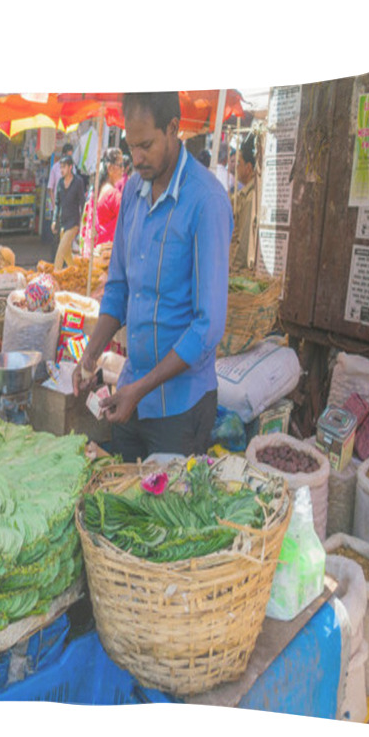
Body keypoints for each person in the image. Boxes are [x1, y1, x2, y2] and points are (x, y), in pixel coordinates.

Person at [72, 92, 233, 462]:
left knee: (167, 516)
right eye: (131, 147)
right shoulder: (132, 190)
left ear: (174, 130)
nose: (137, 158)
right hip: (130, 396)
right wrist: (90, 356)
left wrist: (141, 389)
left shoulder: (206, 201)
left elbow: (207, 328)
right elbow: (118, 289)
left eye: (146, 145)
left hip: (181, 409)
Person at [51, 155, 85, 271]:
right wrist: (54, 219)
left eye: (64, 167)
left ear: (70, 167)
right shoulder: (60, 183)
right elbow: (57, 203)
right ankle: (76, 272)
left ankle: (54, 276)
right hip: (63, 222)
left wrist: (83, 223)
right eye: (60, 167)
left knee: (60, 250)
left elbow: (82, 202)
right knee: (66, 254)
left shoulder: (78, 182)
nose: (61, 170)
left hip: (73, 222)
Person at [229, 132, 257, 273]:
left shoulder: (250, 198)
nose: (236, 168)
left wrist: (233, 270)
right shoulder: (244, 195)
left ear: (249, 168)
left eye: (239, 163)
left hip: (240, 272)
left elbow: (244, 241)